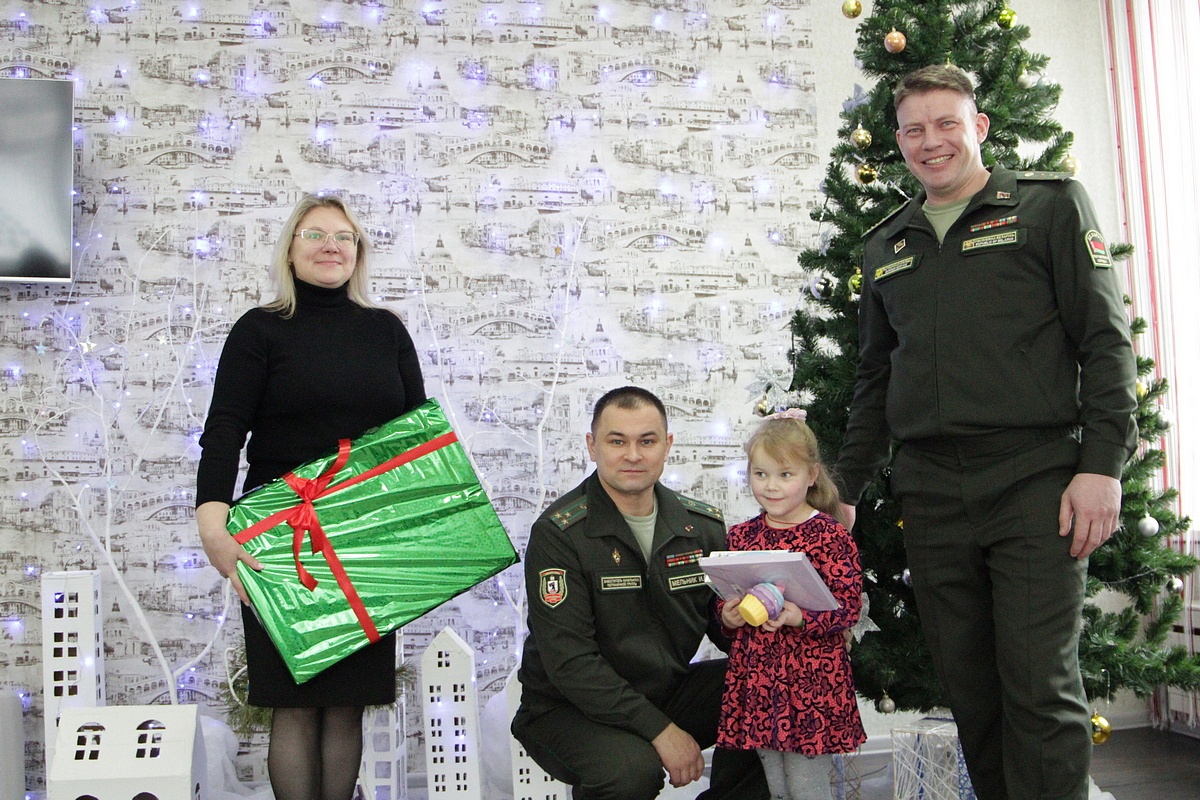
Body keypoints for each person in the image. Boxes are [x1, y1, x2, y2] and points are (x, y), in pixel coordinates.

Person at [835, 64, 1138, 800]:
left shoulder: (1049, 207)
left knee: (1038, 683)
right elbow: (876, 377)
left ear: (979, 127)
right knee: (971, 689)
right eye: (914, 129)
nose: (931, 141)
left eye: (947, 123)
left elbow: (1105, 341)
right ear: (899, 143)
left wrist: (1102, 466)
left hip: (1035, 478)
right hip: (931, 491)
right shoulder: (886, 244)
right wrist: (844, 487)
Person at [196, 194, 426, 800]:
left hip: (364, 536)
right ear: (291, 251)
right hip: (280, 538)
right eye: (316, 234)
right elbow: (224, 431)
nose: (331, 246)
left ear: (358, 252)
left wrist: (419, 541)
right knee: (294, 704)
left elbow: (415, 442)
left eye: (344, 237)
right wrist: (213, 525)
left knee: (347, 704)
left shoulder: (387, 331)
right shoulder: (259, 329)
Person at [512, 386, 768, 800]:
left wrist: (776, 624)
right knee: (631, 771)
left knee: (771, 688)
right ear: (592, 446)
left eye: (647, 441)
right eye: (617, 442)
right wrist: (661, 731)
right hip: (569, 708)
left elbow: (721, 623)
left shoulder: (700, 527)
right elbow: (571, 663)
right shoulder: (560, 534)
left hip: (666, 691)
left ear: (667, 446)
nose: (633, 455)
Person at [717, 409, 865, 800]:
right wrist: (728, 614)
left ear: (812, 475)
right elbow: (726, 597)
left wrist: (801, 617)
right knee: (778, 787)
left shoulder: (829, 536)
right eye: (760, 474)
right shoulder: (742, 536)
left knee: (806, 787)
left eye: (785, 475)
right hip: (759, 681)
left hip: (810, 684)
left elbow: (849, 608)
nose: (771, 486)